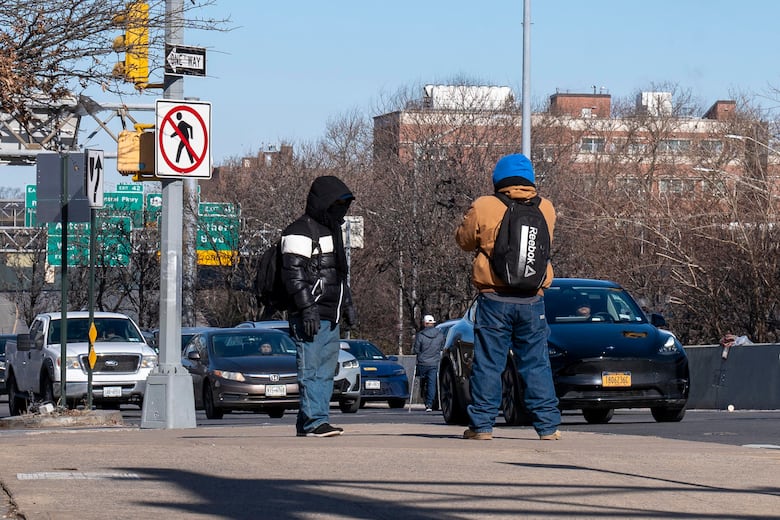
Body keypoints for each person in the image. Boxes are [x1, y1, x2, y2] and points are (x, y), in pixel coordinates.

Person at [455, 153, 561, 441]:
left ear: (498, 179)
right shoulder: (546, 208)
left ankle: (482, 426)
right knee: (536, 363)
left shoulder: (485, 205)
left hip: (495, 298)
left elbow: (464, 241)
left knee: (489, 362)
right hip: (533, 298)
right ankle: (548, 427)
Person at [281, 175, 358, 438]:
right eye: (338, 204)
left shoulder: (332, 232)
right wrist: (307, 308)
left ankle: (310, 421)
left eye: (344, 205)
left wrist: (347, 304)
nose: (342, 210)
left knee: (324, 371)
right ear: (323, 202)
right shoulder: (300, 231)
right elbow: (293, 275)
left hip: (330, 314)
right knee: (311, 370)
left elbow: (339, 275)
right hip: (310, 314)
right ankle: (316, 421)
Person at [412, 314, 445, 412]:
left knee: (423, 381)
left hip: (422, 363)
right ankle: (430, 404)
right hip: (434, 363)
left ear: (425, 323)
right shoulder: (440, 335)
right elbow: (442, 347)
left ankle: (425, 398)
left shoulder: (420, 335)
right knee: (432, 383)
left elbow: (416, 350)